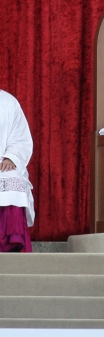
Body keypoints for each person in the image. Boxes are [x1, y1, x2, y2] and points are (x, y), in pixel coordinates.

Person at [0, 90, 35, 252]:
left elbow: (20, 138)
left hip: (2, 161)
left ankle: (10, 243)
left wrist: (11, 158)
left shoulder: (8, 102)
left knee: (13, 181)